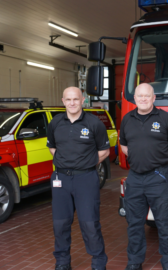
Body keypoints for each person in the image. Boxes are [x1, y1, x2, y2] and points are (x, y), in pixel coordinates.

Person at [119, 83, 168, 270]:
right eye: (140, 96)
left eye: (147, 96)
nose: (143, 99)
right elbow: (124, 146)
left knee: (164, 223)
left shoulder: (164, 118)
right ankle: (134, 262)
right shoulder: (127, 119)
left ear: (154, 98)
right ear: (135, 98)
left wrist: (157, 163)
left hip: (158, 177)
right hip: (135, 178)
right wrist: (140, 160)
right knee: (134, 223)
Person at [47, 87, 110, 270]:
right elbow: (52, 147)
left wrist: (85, 163)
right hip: (60, 179)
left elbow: (104, 151)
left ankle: (98, 263)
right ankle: (62, 262)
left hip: (86, 178)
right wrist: (65, 162)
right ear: (63, 101)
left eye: (76, 99)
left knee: (89, 224)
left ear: (83, 100)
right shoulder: (55, 123)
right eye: (68, 99)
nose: (72, 103)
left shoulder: (94, 123)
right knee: (60, 224)